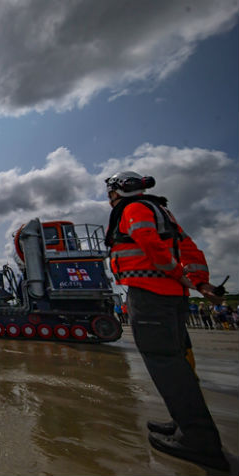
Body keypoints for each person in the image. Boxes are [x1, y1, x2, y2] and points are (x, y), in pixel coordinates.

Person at [104, 171, 228, 471]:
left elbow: (151, 247)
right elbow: (190, 249)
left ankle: (199, 440)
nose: (109, 199)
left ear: (117, 192)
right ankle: (182, 423)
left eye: (110, 193)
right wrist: (198, 282)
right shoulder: (163, 212)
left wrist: (178, 274)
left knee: (166, 364)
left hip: (151, 293)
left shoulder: (133, 210)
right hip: (172, 296)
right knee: (177, 362)